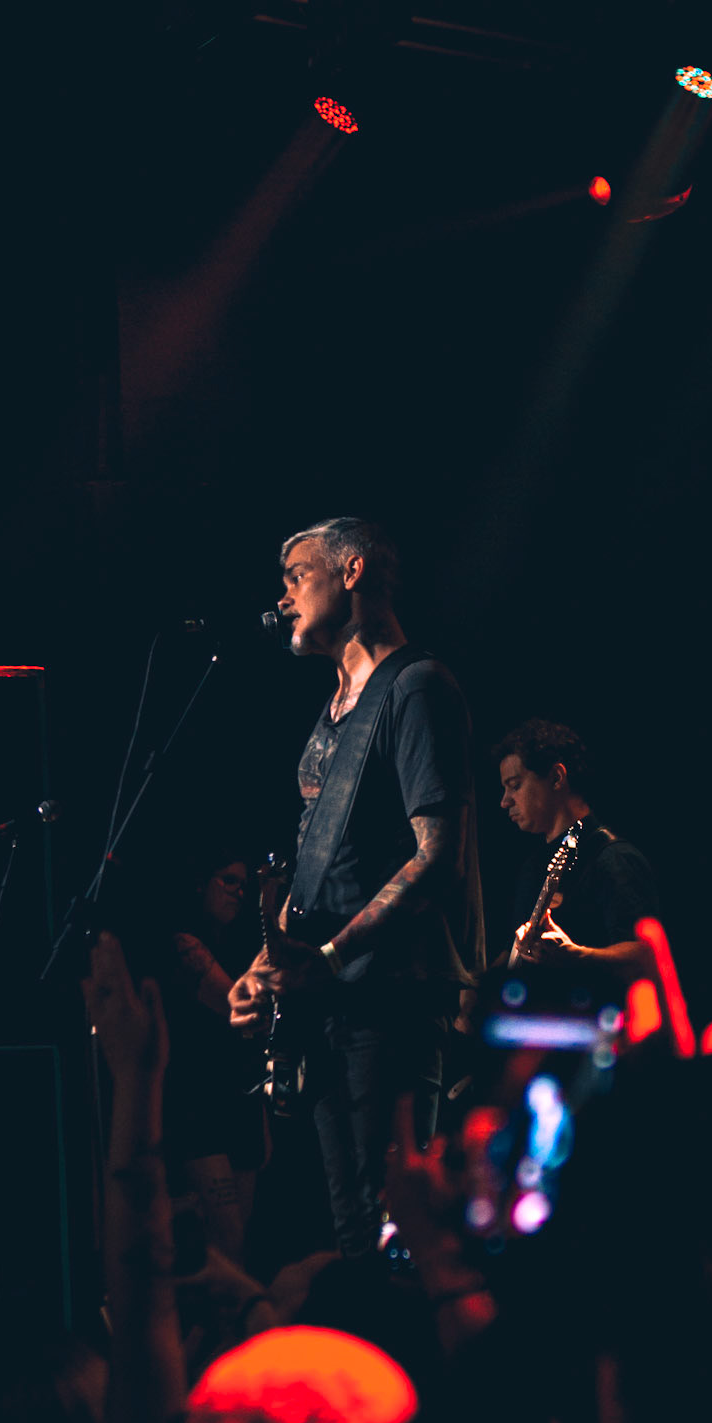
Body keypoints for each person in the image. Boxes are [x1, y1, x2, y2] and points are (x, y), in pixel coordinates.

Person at [228, 517, 486, 1261]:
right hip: (330, 999)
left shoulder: (417, 687)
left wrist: (331, 958)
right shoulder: (334, 707)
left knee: (390, 1223)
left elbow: (438, 858)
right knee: (349, 1231)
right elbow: (321, 861)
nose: (282, 598)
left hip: (390, 997)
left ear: (353, 571)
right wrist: (265, 965)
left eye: (296, 576)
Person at [159, 850, 267, 1263]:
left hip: (240, 1102)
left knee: (240, 1239)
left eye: (243, 884)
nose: (238, 892)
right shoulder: (185, 944)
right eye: (228, 880)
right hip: (200, 1102)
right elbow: (236, 1007)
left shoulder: (240, 946)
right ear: (201, 884)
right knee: (227, 1236)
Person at [495, 719, 657, 980]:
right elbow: (513, 952)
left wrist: (576, 956)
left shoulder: (613, 858)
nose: (504, 801)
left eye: (515, 785)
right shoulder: (532, 867)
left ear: (556, 778)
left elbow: (644, 956)